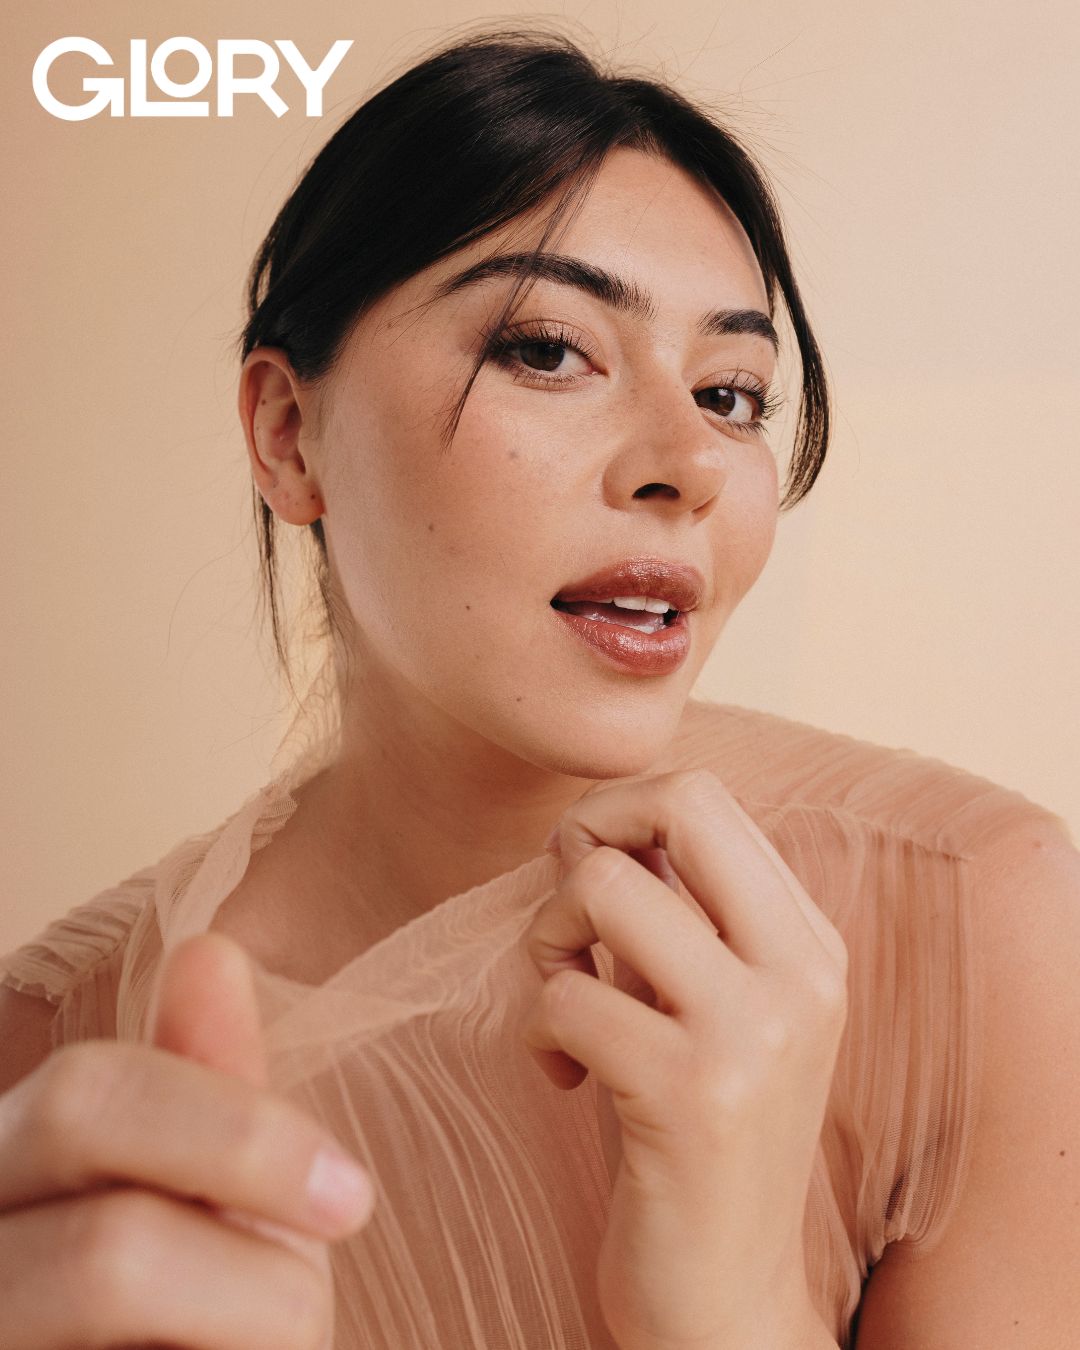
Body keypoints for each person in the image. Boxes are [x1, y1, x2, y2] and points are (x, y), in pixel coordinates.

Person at [1, 26, 1078, 1350]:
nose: (689, 457)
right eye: (551, 350)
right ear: (290, 435)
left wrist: (734, 1309)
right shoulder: (61, 1050)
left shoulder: (979, 916)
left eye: (733, 391)